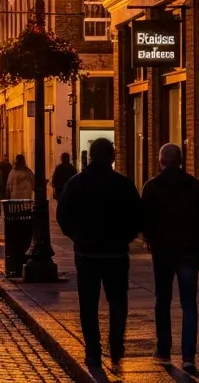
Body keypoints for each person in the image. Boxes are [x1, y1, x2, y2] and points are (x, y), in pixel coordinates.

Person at [56, 138, 142, 372]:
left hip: (87, 254)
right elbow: (137, 217)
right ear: (112, 157)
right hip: (115, 254)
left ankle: (93, 352)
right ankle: (116, 346)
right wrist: (124, 238)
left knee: (88, 304)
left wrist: (76, 237)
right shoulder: (123, 184)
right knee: (117, 301)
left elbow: (62, 214)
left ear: (91, 156)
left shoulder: (77, 183)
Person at [141, 143, 199, 370]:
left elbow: (145, 221)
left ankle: (163, 348)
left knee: (163, 300)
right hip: (189, 251)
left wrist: (152, 240)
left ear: (161, 161)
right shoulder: (196, 187)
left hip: (163, 252)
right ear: (181, 161)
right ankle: (188, 355)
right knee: (189, 302)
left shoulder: (151, 187)